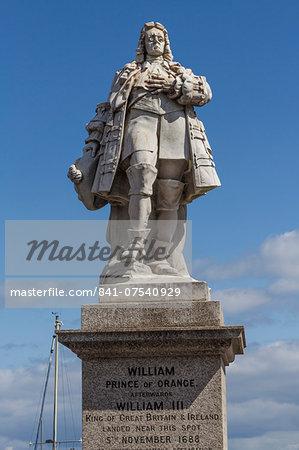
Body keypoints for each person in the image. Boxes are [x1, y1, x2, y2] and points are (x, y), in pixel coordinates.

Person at [68, 22, 220, 280]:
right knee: (141, 174)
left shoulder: (179, 71)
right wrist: (89, 154)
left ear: (166, 42)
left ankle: (160, 259)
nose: (155, 41)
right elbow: (107, 111)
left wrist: (175, 85)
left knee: (170, 191)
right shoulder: (127, 71)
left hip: (174, 125)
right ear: (142, 43)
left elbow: (205, 93)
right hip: (140, 121)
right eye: (150, 37)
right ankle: (134, 254)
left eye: (159, 37)